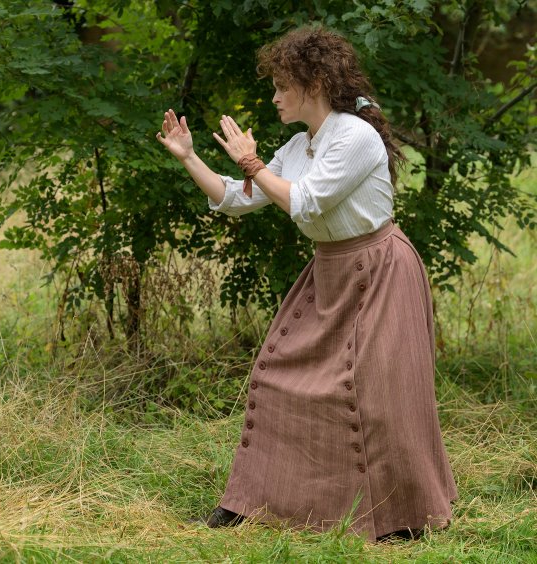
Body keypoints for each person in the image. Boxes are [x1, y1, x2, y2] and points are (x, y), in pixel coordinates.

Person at [156, 26, 456, 540]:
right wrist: (189, 156)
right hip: (330, 270)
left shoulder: (355, 136)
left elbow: (306, 201)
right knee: (275, 377)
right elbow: (239, 198)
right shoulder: (299, 144)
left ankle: (400, 518)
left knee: (381, 396)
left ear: (313, 83)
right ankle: (252, 503)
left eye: (281, 85)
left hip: (380, 270)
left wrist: (250, 161)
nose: (273, 96)